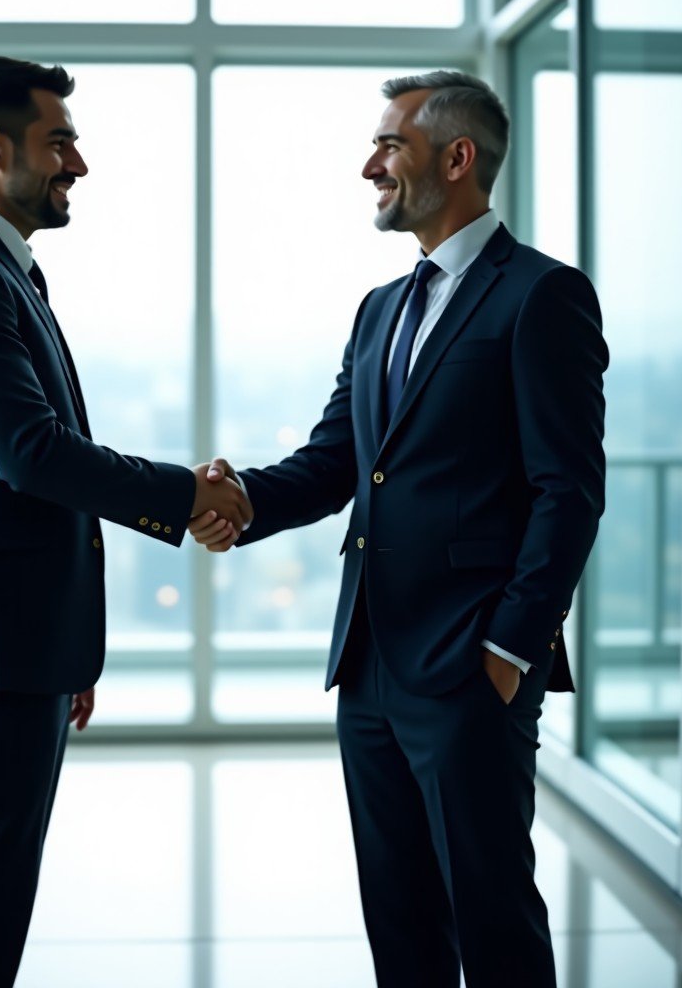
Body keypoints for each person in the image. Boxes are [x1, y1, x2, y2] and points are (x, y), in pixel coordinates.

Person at [190, 71, 607, 987]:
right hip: (371, 665)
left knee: (491, 914)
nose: (368, 164)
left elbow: (569, 491)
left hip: (471, 667)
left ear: (457, 159)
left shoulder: (543, 297)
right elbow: (337, 461)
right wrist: (241, 500)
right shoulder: (381, 308)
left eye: (391, 145)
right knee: (400, 919)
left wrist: (509, 650)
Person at [0, 56, 250, 988]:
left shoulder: (0, 272)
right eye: (60, 142)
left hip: (18, 644)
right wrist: (188, 493)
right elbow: (32, 454)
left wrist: (65, 652)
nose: (78, 164)